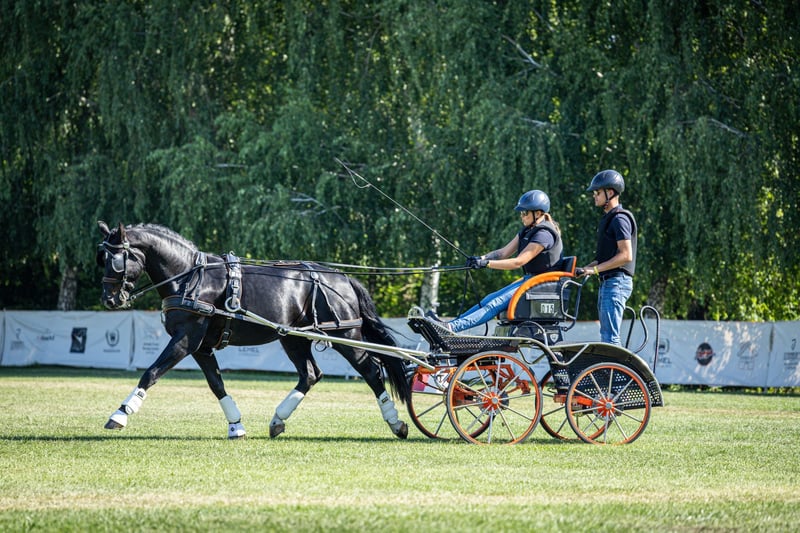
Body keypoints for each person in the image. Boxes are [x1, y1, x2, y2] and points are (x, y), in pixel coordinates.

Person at [427, 190, 563, 333]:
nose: (522, 216)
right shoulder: (527, 231)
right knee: (488, 299)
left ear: (539, 213)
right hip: (531, 281)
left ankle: (451, 328)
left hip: (542, 284)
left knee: (494, 304)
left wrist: (487, 264)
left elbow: (518, 262)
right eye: (521, 213)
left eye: (525, 213)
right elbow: (503, 253)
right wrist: (481, 258)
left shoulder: (544, 234)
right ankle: (449, 325)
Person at [576, 169, 637, 345]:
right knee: (606, 336)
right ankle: (610, 371)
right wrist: (585, 269)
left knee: (610, 338)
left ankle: (615, 372)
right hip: (608, 281)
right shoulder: (609, 219)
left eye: (597, 192)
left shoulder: (619, 219)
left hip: (617, 282)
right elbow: (605, 259)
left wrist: (594, 270)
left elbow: (626, 255)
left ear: (610, 192)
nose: (594, 196)